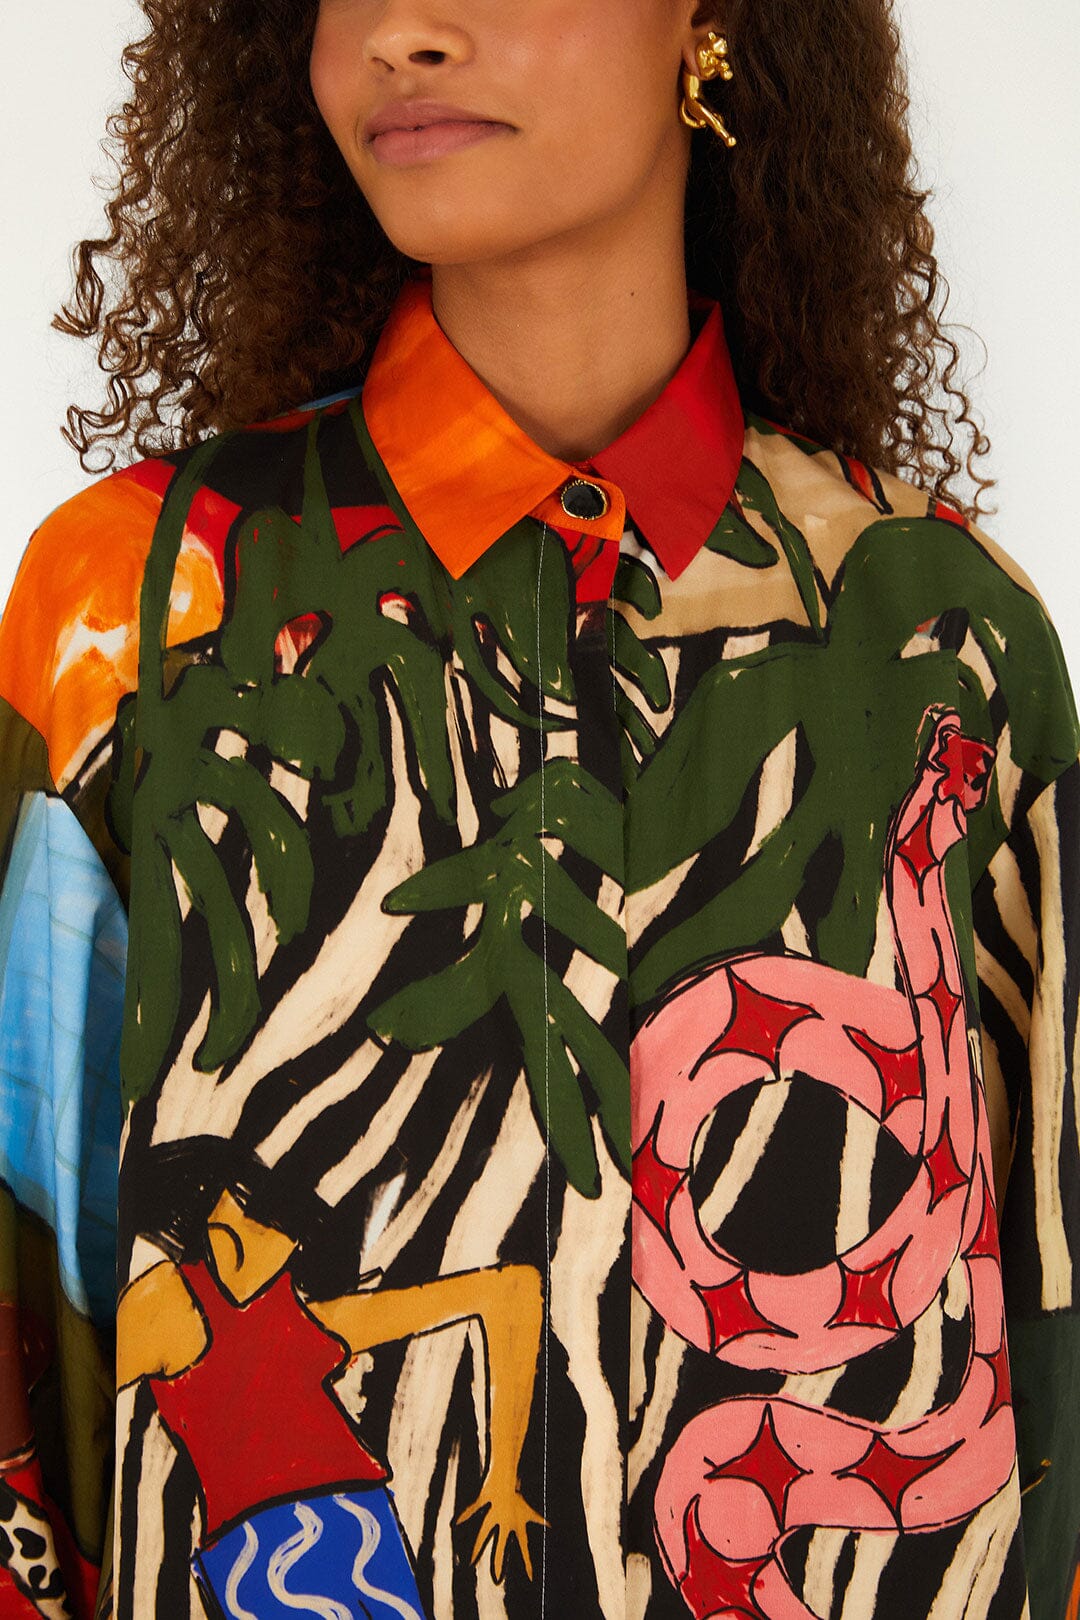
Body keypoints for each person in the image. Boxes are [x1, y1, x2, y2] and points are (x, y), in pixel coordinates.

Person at [0, 2, 1076, 1619]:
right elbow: (29, 1315)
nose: (401, 31)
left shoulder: (946, 637)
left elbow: (1049, 1333)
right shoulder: (134, 614)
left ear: (708, 22)